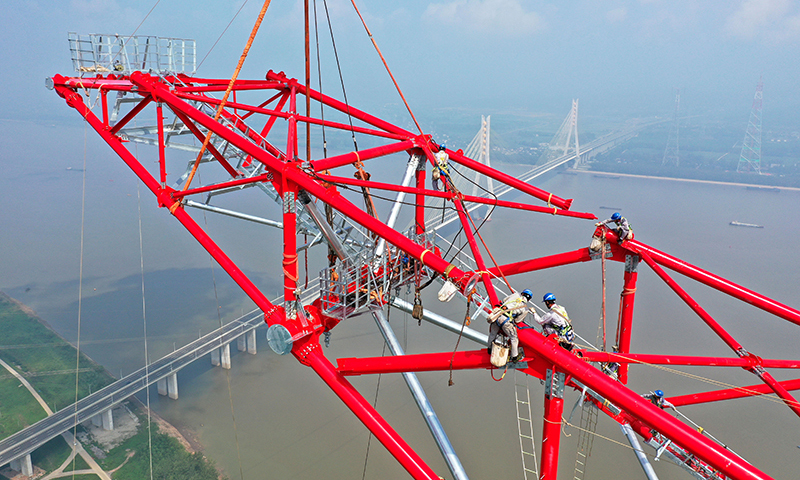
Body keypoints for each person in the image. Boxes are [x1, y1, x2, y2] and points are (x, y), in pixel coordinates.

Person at [487, 290, 531, 363]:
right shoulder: (525, 309)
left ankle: (489, 349)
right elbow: (517, 320)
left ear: (522, 293)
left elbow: (504, 300)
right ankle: (514, 356)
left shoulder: (516, 295)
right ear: (529, 299)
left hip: (497, 315)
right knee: (514, 338)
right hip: (506, 321)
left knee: (493, 334)